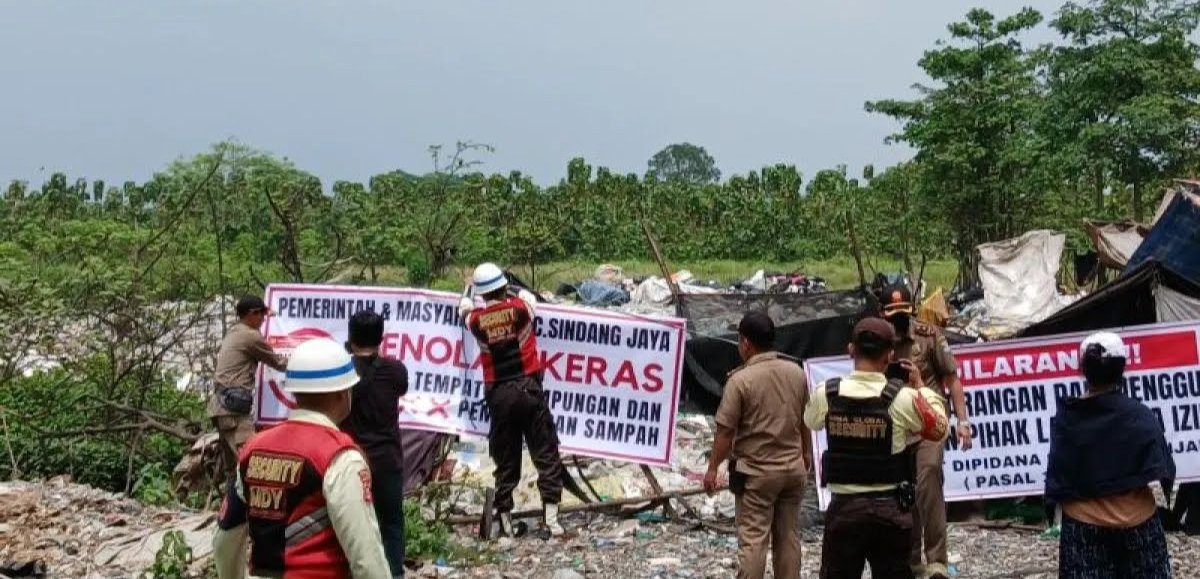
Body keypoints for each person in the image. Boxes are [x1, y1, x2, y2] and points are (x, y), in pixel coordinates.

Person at [212, 337, 391, 579]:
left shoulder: (254, 449)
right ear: (342, 394)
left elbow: (226, 538)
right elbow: (367, 558)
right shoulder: (339, 456)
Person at [804, 317, 950, 579]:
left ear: (851, 350)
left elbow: (810, 421)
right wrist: (921, 389)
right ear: (890, 355)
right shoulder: (903, 398)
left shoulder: (826, 393)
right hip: (889, 511)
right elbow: (939, 428)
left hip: (844, 510)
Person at [1046, 332, 1175, 579]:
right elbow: (1164, 468)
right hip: (1137, 523)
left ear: (1083, 370)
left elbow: (1058, 477)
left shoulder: (1068, 420)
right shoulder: (1140, 415)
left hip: (1084, 529)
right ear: (1121, 369)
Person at [459, 262, 567, 538]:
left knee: (505, 458)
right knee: (545, 452)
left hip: (498, 394)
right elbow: (529, 298)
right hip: (528, 388)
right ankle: (551, 521)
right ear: (504, 286)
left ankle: (505, 522)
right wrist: (514, 289)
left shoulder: (476, 322)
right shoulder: (520, 310)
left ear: (482, 294)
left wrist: (469, 291)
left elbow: (465, 309)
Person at [704, 311, 811, 579]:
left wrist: (712, 468)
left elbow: (725, 433)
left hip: (757, 476)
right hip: (793, 470)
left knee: (753, 541)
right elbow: (804, 420)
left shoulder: (740, 380)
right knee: (788, 537)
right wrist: (806, 454)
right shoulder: (796, 373)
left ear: (746, 343)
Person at [880, 284, 970, 579]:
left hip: (928, 425)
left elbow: (952, 379)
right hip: (893, 427)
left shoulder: (928, 336)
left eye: (903, 314)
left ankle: (937, 562)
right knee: (902, 493)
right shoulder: (875, 339)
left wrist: (963, 421)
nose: (898, 321)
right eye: (892, 315)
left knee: (928, 481)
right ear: (882, 314)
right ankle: (910, 560)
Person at [341, 310, 409, 578]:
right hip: (387, 458)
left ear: (351, 337)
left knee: (353, 523)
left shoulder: (343, 370)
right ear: (381, 337)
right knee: (391, 522)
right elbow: (401, 389)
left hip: (351, 460)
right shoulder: (395, 370)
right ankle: (394, 573)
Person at [209, 295, 288, 480]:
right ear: (253, 314)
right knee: (252, 465)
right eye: (261, 315)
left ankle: (231, 508)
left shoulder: (234, 331)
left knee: (233, 471)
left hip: (221, 407)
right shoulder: (250, 336)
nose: (263, 320)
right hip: (234, 411)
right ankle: (252, 508)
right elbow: (278, 362)